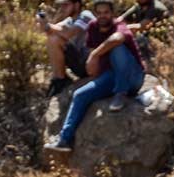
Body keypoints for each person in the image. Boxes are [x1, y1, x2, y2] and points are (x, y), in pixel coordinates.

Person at [44, 0, 145, 154]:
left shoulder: (119, 25)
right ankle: (64, 139)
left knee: (117, 48)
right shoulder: (93, 27)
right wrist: (93, 68)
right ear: (95, 14)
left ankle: (121, 93)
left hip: (133, 76)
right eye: (99, 13)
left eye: (106, 12)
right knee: (80, 95)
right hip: (111, 77)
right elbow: (94, 64)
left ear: (112, 14)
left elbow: (118, 38)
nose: (103, 16)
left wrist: (95, 54)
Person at [38, 0, 96, 98]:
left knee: (55, 39)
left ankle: (61, 80)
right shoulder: (69, 20)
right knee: (53, 38)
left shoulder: (85, 15)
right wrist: (43, 23)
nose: (62, 8)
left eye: (66, 5)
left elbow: (69, 33)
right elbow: (54, 30)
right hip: (80, 64)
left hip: (92, 64)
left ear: (76, 5)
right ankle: (59, 79)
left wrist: (48, 26)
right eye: (61, 5)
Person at [116, 0, 168, 66]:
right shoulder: (139, 6)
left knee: (138, 41)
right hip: (146, 38)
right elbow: (121, 19)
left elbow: (141, 26)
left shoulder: (155, 8)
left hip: (159, 42)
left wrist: (122, 28)